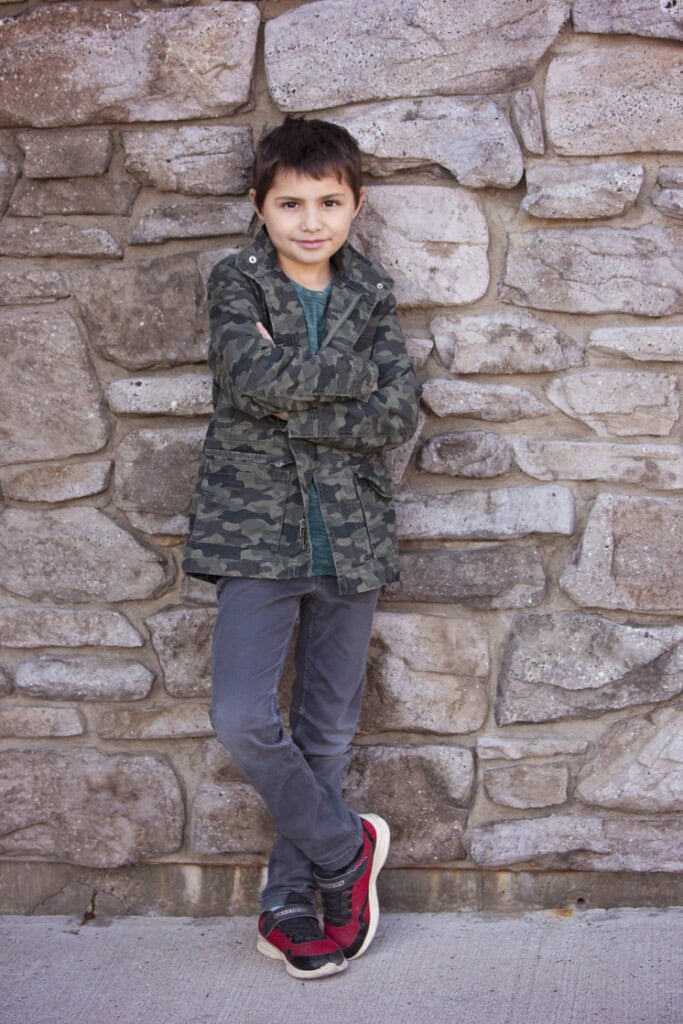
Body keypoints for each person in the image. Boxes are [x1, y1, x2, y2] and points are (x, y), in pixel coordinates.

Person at [183, 116, 421, 980]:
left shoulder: (372, 292)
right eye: (290, 203)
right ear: (260, 205)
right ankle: (344, 848)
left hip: (351, 536)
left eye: (328, 202)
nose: (310, 220)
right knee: (242, 715)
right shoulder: (236, 281)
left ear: (355, 205)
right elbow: (249, 379)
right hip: (257, 534)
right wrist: (354, 381)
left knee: (326, 730)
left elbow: (397, 414)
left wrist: (300, 398)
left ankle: (289, 902)